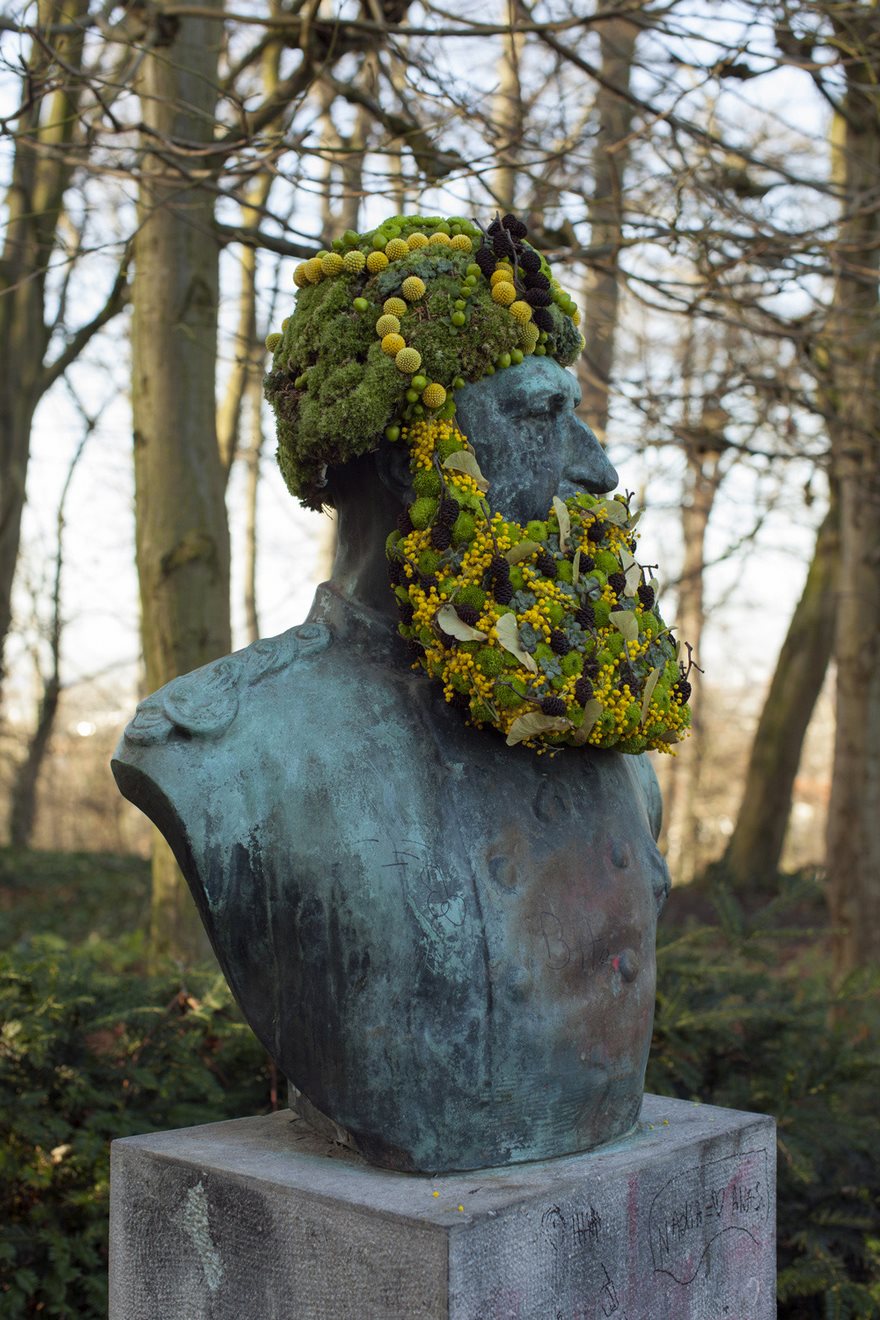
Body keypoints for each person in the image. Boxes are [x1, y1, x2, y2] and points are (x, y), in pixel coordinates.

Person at [113, 214, 672, 1174]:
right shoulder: (225, 749)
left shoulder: (607, 734)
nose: (598, 468)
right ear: (406, 454)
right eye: (540, 415)